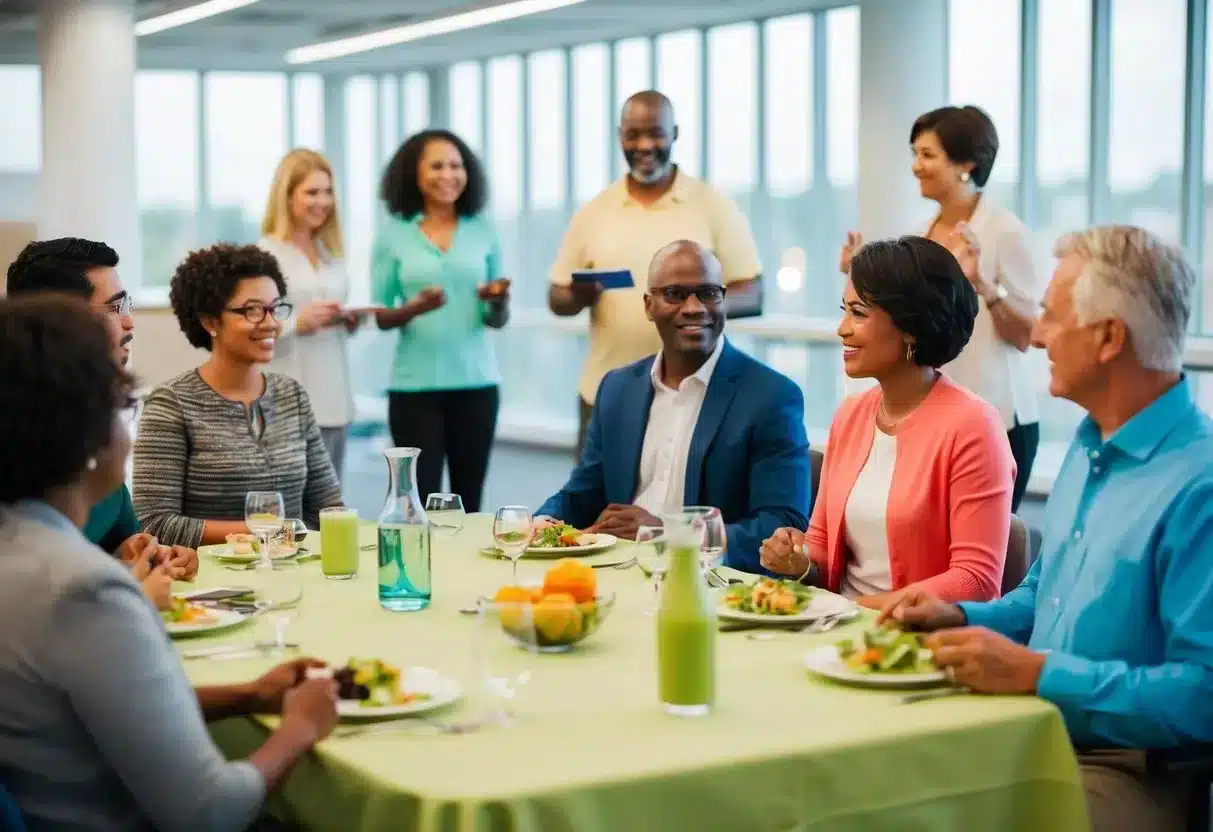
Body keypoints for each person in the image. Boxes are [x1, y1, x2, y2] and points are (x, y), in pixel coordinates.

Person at [880, 227, 1213, 831]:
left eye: (1053, 319)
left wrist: (1038, 674)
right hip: (1030, 725)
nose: (1035, 335)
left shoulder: (1200, 486)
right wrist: (959, 617)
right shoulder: (1089, 449)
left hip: (1127, 769)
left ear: (1109, 338)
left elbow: (1203, 696)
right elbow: (1040, 596)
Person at [0, 293, 339, 830]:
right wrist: (300, 726)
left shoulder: (18, 547)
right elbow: (211, 812)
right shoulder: (83, 589)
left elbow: (97, 707)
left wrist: (249, 695)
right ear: (87, 432)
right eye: (123, 405)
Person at [758, 237, 1013, 606]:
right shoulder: (851, 415)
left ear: (911, 326)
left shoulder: (974, 426)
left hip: (921, 643)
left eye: (858, 314)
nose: (841, 328)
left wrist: (859, 610)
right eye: (844, 311)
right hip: (841, 629)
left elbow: (975, 582)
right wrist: (798, 562)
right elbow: (821, 550)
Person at [536, 240, 808, 569]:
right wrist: (543, 522)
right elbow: (584, 492)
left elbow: (781, 526)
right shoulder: (617, 388)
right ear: (649, 305)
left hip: (710, 585)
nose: (694, 307)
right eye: (675, 294)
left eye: (708, 293)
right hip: (615, 570)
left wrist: (665, 533)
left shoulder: (771, 395)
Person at [840, 105, 1041, 511]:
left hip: (998, 420)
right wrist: (859, 275)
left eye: (928, 155)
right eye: (914, 154)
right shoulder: (920, 234)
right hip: (935, 416)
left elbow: (1028, 336)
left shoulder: (1005, 231)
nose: (916, 166)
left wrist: (984, 285)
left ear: (967, 163)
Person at [549, 90, 763, 460]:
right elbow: (557, 297)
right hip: (605, 395)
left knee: (683, 510)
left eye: (655, 133)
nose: (645, 145)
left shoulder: (712, 206)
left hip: (694, 393)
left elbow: (753, 293)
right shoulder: (595, 211)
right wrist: (580, 295)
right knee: (594, 511)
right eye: (633, 135)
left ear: (674, 133)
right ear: (620, 137)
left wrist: (695, 305)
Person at [5, 237, 198, 600]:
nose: (129, 321)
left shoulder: (91, 425)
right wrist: (134, 598)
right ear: (64, 322)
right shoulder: (21, 441)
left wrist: (143, 555)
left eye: (125, 303)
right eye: (113, 308)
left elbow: (125, 541)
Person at [133, 244, 343, 548]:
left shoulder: (292, 396)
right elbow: (154, 523)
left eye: (276, 308)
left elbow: (328, 508)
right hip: (208, 583)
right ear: (210, 321)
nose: (271, 323)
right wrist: (266, 530)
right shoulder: (171, 404)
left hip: (294, 574)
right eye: (253, 310)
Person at [372, 129, 510, 512]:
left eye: (456, 165)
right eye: (436, 165)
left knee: (470, 500)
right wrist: (414, 308)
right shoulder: (393, 235)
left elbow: (496, 319)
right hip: (414, 388)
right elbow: (380, 315)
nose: (448, 174)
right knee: (416, 502)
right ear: (414, 174)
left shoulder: (483, 230)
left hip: (477, 383)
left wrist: (497, 301)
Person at [259, 148, 364, 483]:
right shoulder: (265, 254)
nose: (323, 201)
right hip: (287, 399)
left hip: (335, 399)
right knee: (292, 510)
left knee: (329, 506)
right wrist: (297, 323)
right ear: (287, 197)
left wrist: (349, 320)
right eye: (312, 192)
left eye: (328, 192)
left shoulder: (330, 254)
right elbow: (247, 327)